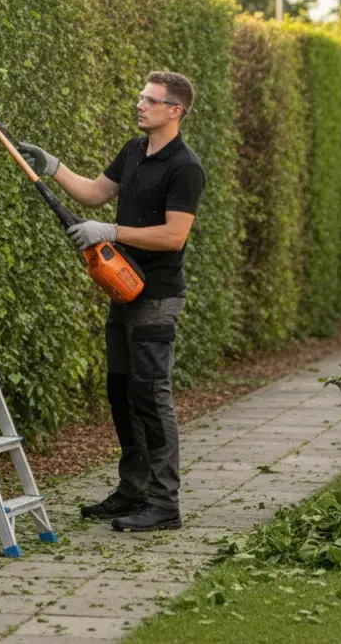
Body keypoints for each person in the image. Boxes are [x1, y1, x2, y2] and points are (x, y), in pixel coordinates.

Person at [17, 71, 204, 532]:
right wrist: (53, 166)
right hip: (123, 291)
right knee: (122, 394)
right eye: (141, 97)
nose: (140, 104)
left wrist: (112, 232)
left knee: (151, 396)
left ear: (174, 111)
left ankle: (165, 504)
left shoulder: (185, 167)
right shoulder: (133, 152)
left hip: (157, 296)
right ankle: (133, 491)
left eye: (151, 100)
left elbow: (175, 236)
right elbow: (95, 193)